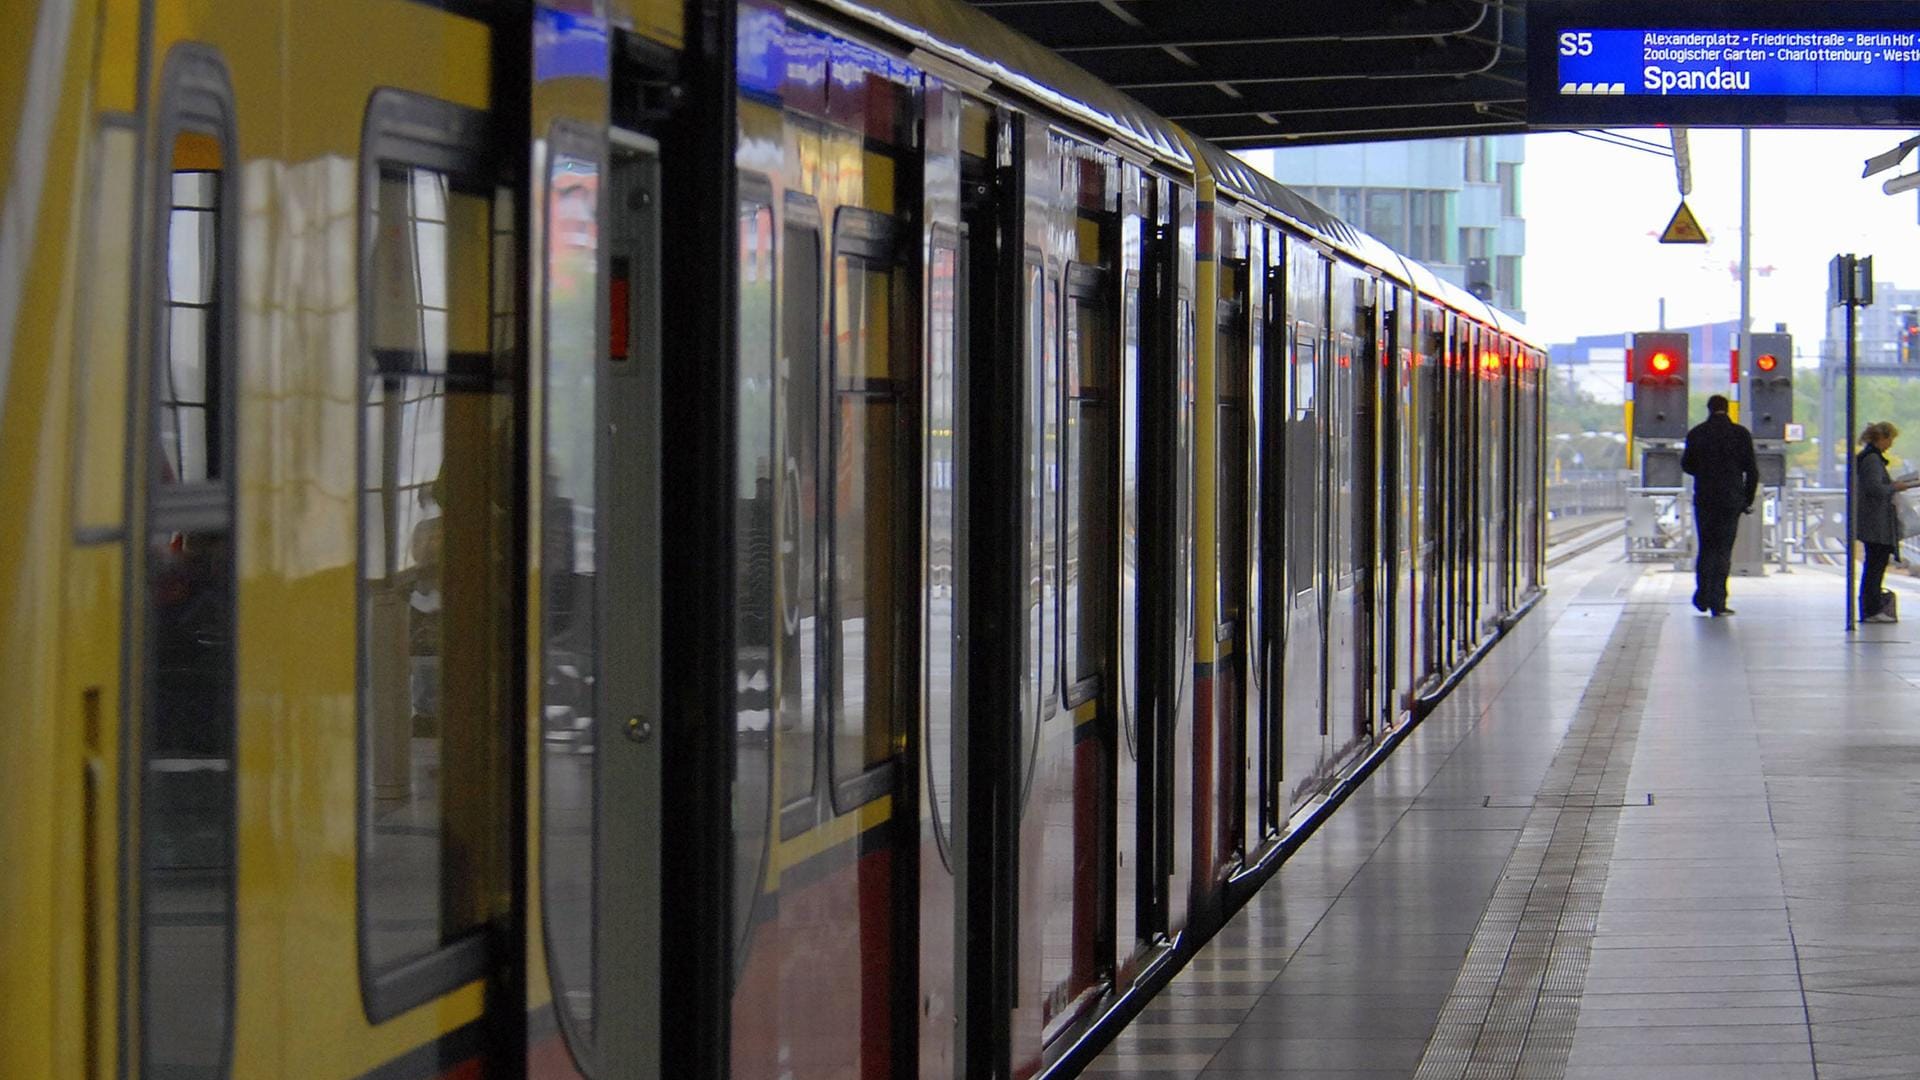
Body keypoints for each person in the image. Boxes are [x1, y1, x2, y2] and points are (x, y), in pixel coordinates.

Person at [1680, 394, 1759, 616]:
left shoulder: (1697, 433)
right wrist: (1746, 500)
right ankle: (1718, 601)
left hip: (1705, 499)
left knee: (1706, 547)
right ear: (1727, 409)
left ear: (1708, 409)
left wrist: (1704, 472)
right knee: (1723, 550)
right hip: (1730, 501)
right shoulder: (1740, 434)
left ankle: (1702, 595)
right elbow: (1752, 470)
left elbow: (1687, 465)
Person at [1854, 421, 1918, 623]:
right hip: (1876, 523)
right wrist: (1895, 487)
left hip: (1874, 522)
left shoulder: (1869, 457)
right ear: (1881, 438)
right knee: (1875, 566)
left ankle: (1871, 607)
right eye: (1890, 439)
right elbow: (1876, 488)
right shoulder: (1872, 460)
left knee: (1874, 565)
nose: (1890, 444)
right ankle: (1872, 609)